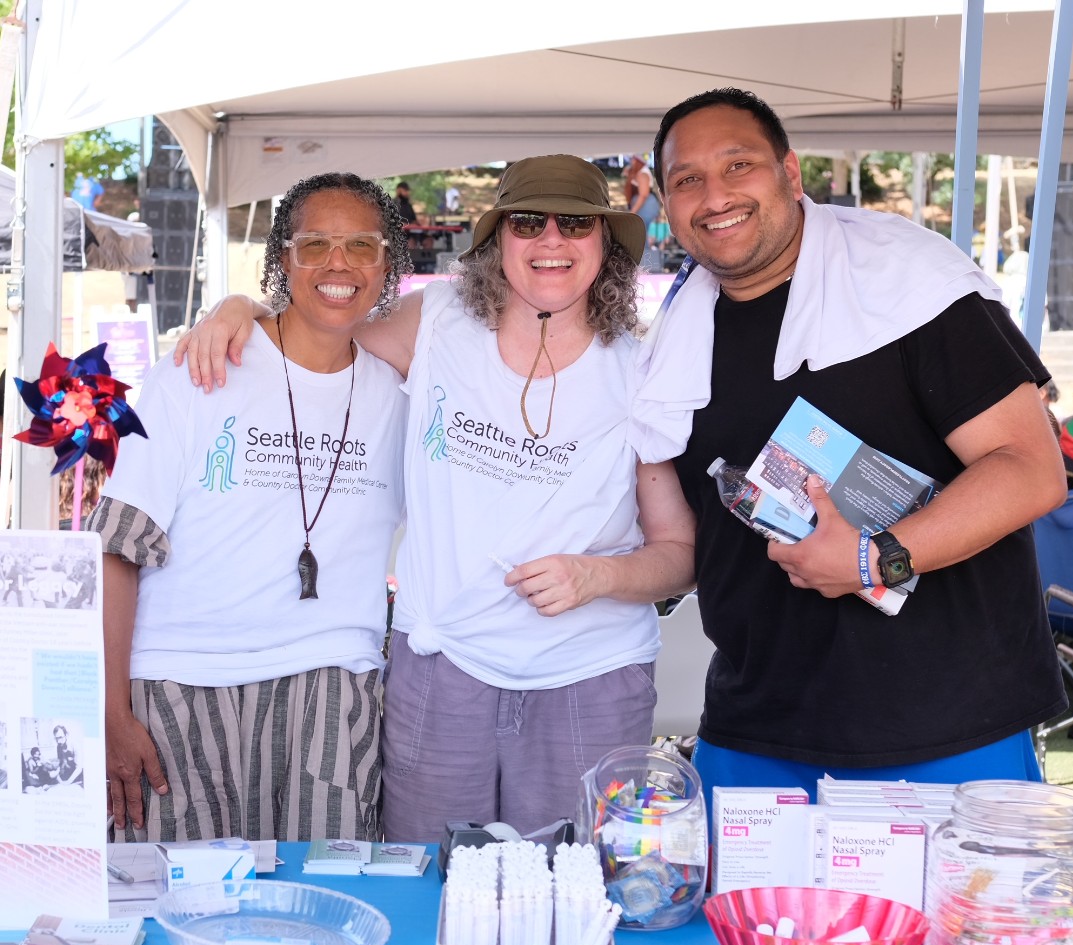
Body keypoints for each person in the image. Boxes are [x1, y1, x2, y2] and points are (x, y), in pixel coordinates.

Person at [175, 154, 697, 843]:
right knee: (432, 886)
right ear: (496, 240)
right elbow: (313, 329)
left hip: (589, 679)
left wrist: (597, 574)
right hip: (442, 669)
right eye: (525, 222)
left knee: (577, 892)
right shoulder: (438, 321)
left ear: (604, 243)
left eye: (575, 223)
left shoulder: (640, 369)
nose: (550, 240)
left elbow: (680, 554)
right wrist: (238, 307)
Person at [645, 87, 1067, 814]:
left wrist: (877, 559)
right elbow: (686, 542)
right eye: (687, 179)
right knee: (731, 932)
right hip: (755, 733)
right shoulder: (677, 333)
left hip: (946, 730)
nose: (714, 195)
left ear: (790, 172)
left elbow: (1031, 471)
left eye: (738, 165)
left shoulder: (909, 282)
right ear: (664, 200)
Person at [87, 172, 412, 842]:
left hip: (328, 687)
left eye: (362, 245)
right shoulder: (200, 368)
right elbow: (117, 549)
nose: (338, 264)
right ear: (281, 259)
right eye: (314, 243)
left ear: (388, 263)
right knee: (181, 915)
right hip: (179, 685)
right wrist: (111, 711)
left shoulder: (401, 395)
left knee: (319, 913)